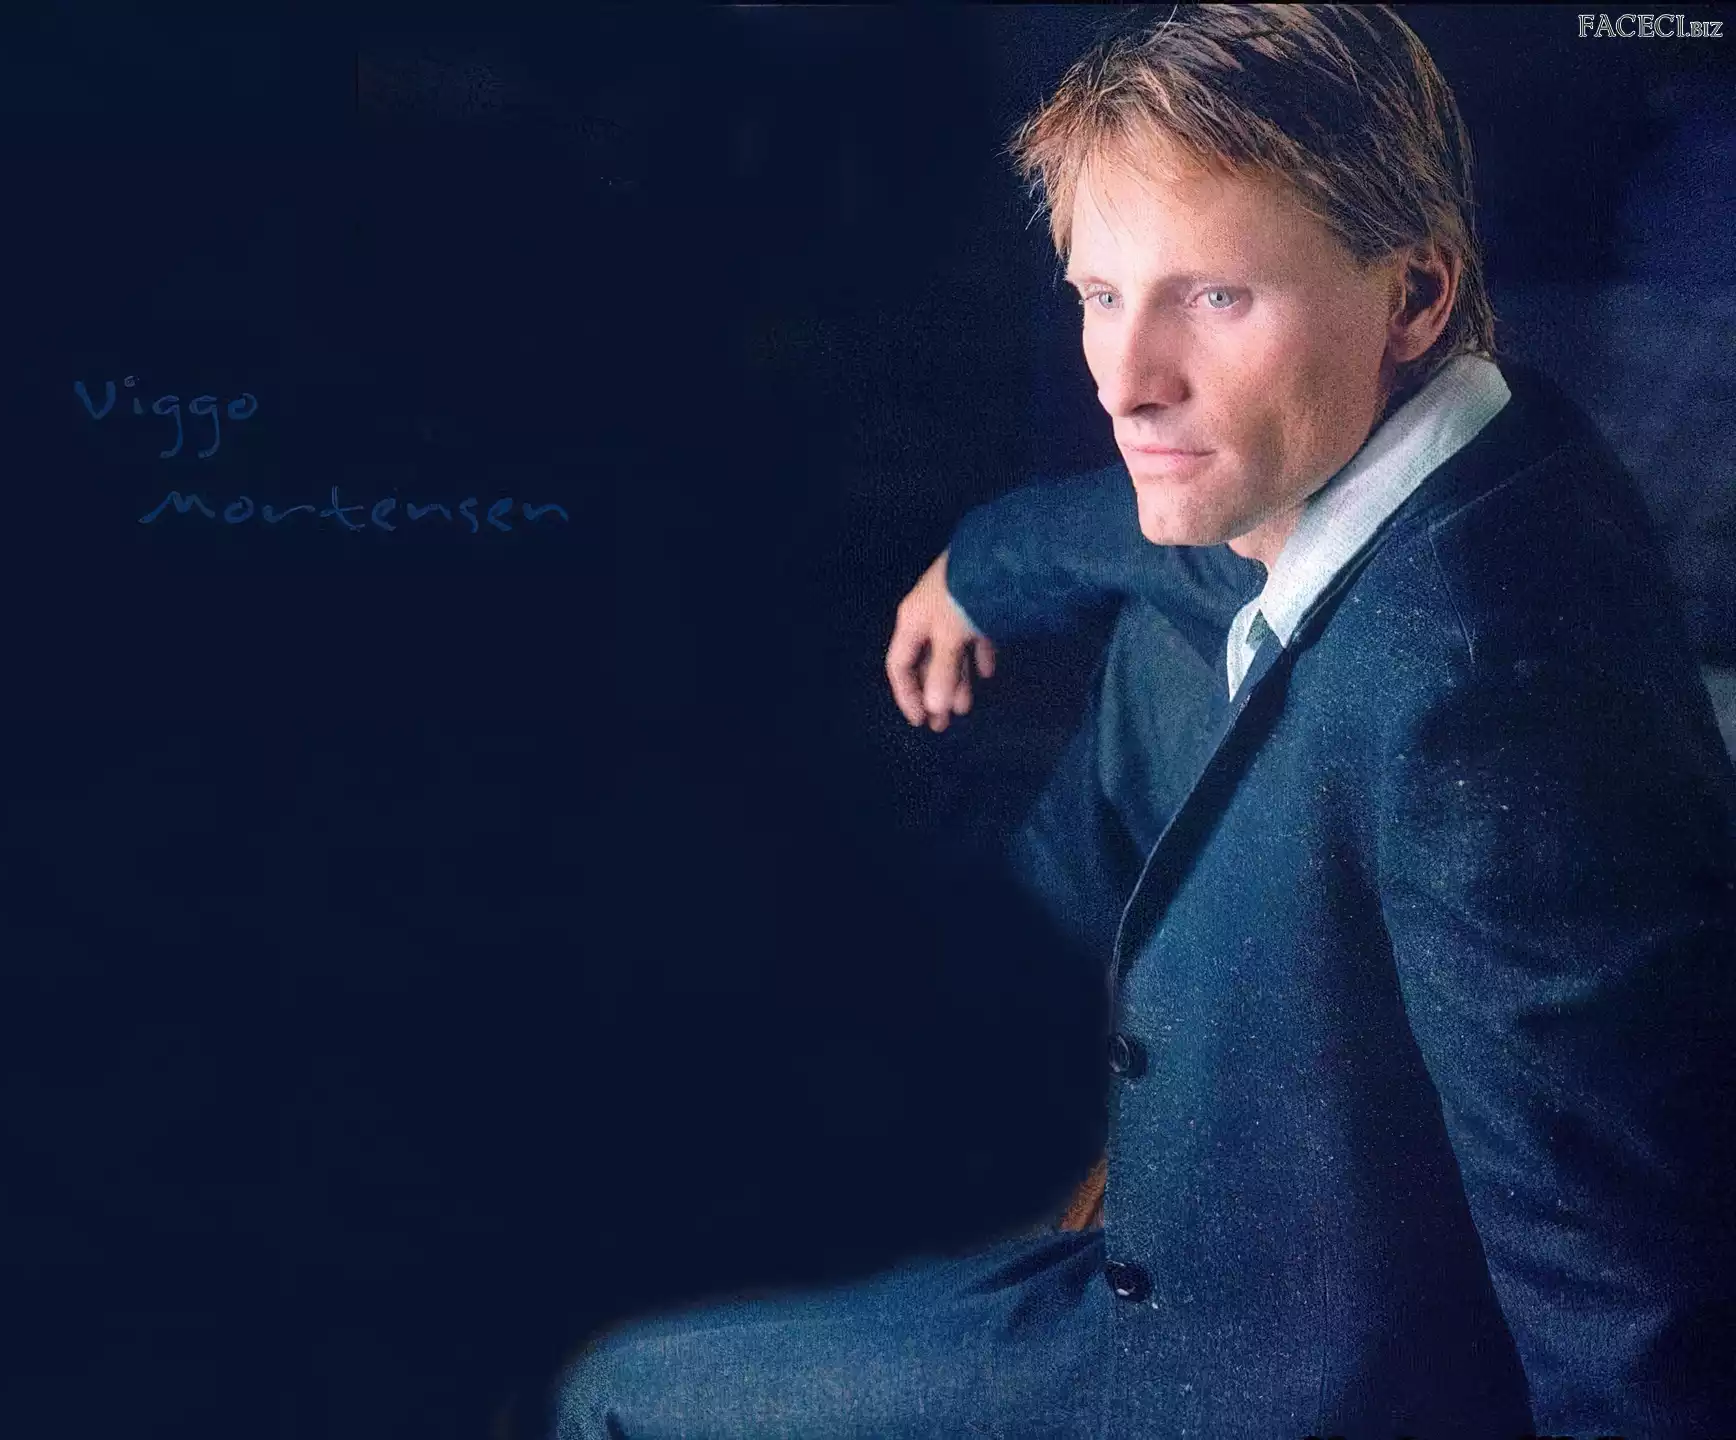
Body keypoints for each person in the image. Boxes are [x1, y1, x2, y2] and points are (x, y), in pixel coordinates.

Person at [547, 6, 1736, 1435]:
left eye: (1216, 298)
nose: (1125, 380)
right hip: (1216, 1180)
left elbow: (1627, 1287)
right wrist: (980, 564)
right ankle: (946, 1054)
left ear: (1415, 294)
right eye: (1101, 294)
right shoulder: (1486, 448)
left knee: (617, 1398)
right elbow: (1160, 529)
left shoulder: (1478, 704)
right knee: (1165, 644)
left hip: (1236, 1369)